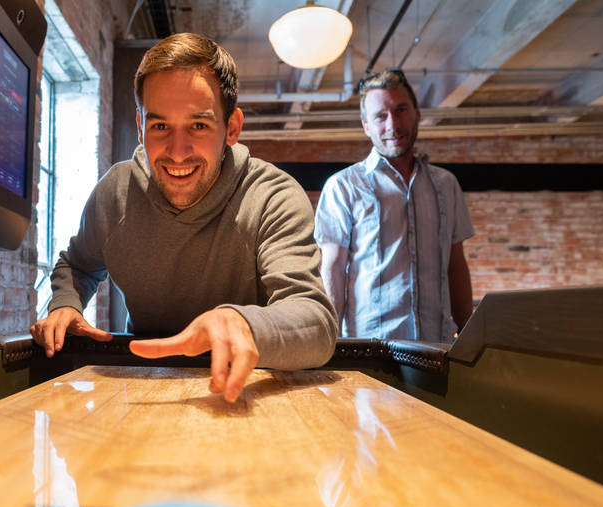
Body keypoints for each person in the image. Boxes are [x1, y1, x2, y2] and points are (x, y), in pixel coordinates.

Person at [29, 33, 336, 402]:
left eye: (199, 126)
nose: (177, 152)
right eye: (160, 126)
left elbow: (316, 323)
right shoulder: (116, 193)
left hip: (247, 394)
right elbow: (77, 266)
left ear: (232, 128)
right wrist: (65, 303)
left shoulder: (273, 195)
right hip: (144, 393)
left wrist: (243, 322)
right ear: (141, 126)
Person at [314, 68, 474, 342]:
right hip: (373, 355)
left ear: (417, 113)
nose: (393, 125)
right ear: (366, 126)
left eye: (401, 110)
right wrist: (329, 345)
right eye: (380, 116)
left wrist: (471, 337)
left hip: (439, 349)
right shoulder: (343, 187)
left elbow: (455, 266)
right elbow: (333, 270)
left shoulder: (446, 184)